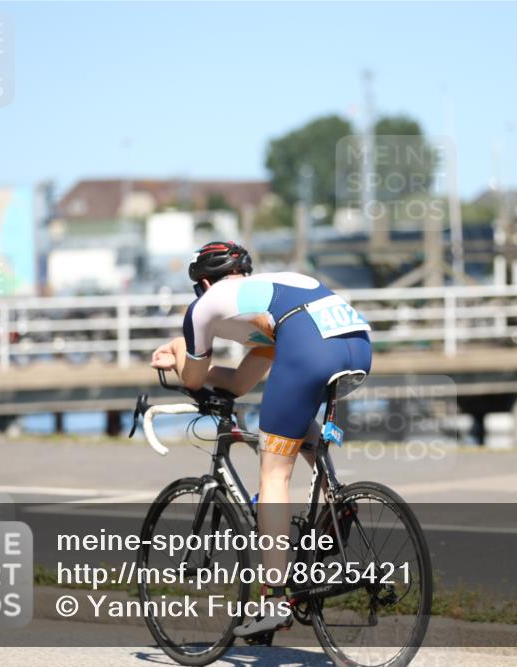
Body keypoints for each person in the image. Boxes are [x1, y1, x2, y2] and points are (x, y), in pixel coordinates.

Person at [150, 241, 372, 636]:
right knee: (294, 425)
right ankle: (335, 504)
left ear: (204, 282)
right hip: (355, 344)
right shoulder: (267, 299)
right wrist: (203, 368)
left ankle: (274, 600)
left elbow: (193, 380)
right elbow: (238, 383)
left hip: (308, 346)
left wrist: (178, 351)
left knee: (273, 473)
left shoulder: (204, 305)